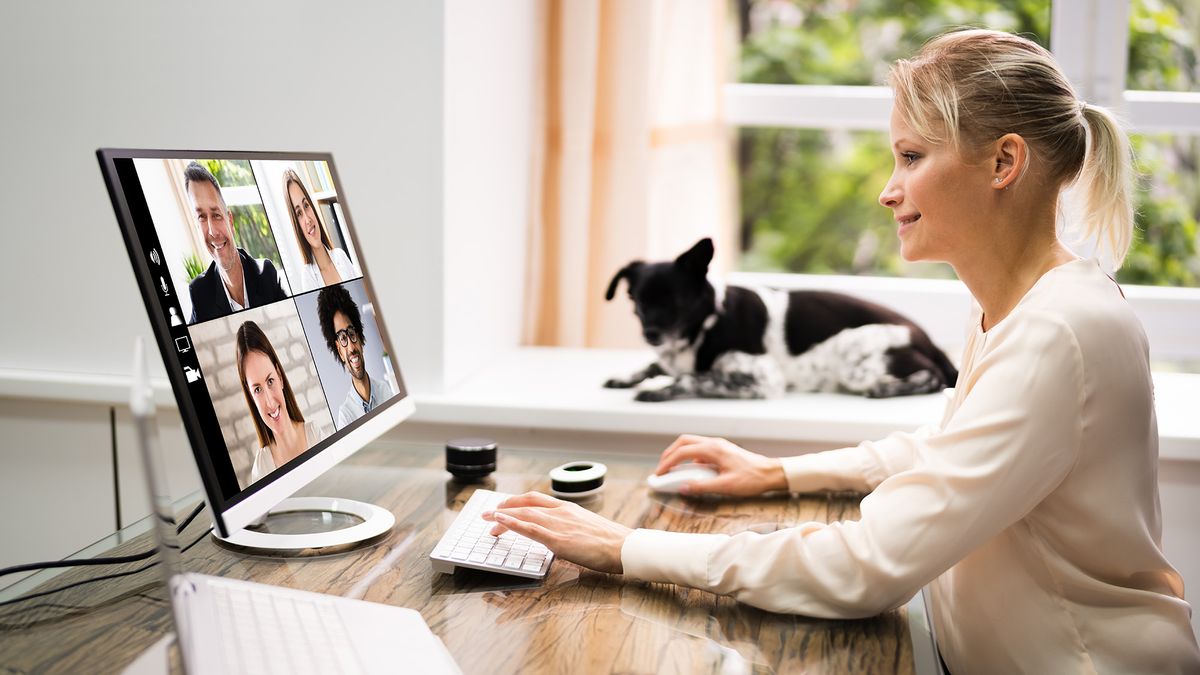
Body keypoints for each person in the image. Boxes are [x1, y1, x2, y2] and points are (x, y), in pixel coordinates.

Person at [481, 29, 1200, 674]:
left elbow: (869, 565)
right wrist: (779, 473)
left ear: (1003, 163)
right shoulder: (1029, 308)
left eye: (912, 157)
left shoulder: (1059, 331)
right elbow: (951, 449)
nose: (889, 191)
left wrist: (625, 547)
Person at [184, 161, 288, 323]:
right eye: (202, 217)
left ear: (230, 221)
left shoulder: (266, 274)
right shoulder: (200, 294)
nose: (212, 231)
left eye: (216, 215)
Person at [236, 321, 330, 484]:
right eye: (257, 390)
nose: (270, 402)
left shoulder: (315, 435)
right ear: (251, 396)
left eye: (270, 381)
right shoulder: (261, 468)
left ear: (279, 377)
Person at [316, 284, 394, 428]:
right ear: (339, 350)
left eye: (351, 334)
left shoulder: (386, 391)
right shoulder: (346, 417)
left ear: (359, 339)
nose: (351, 347)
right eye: (343, 338)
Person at [281, 168, 361, 291]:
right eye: (299, 213)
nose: (308, 220)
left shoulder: (341, 256)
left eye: (306, 205)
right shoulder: (308, 278)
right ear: (296, 226)